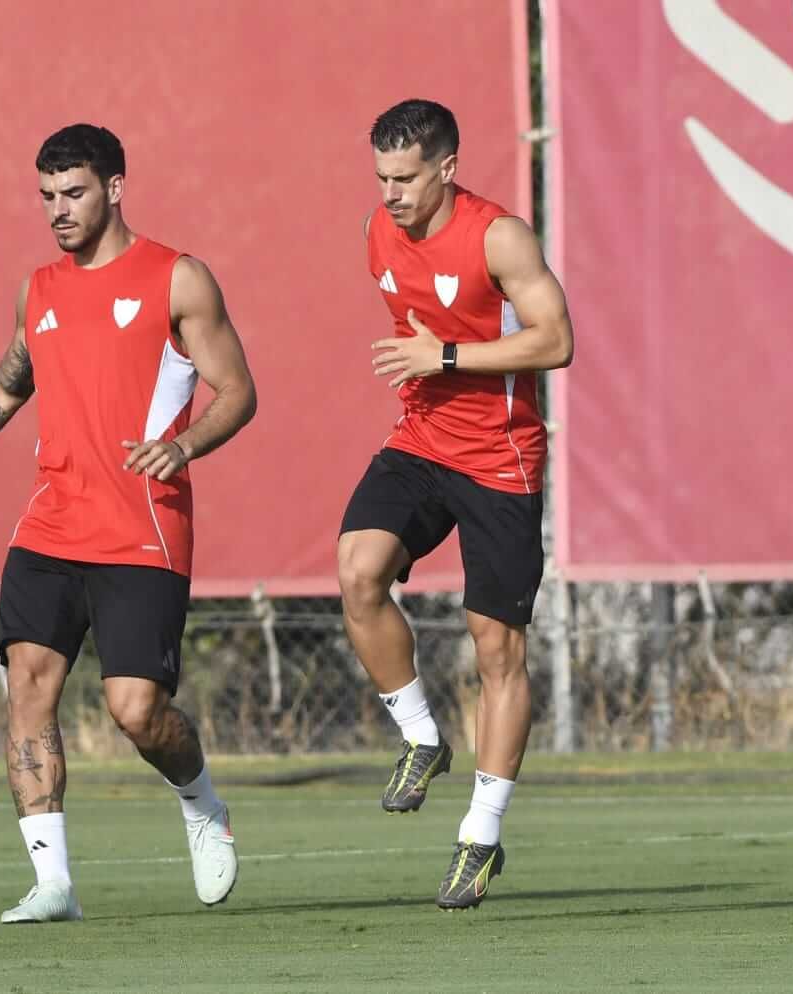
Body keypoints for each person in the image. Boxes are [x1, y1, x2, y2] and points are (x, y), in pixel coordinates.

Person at [0, 124, 256, 923]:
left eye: (73, 193)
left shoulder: (178, 279)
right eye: (46, 196)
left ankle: (202, 802)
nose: (57, 210)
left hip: (141, 527)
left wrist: (183, 446)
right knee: (29, 689)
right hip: (49, 528)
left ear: (114, 188)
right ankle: (54, 883)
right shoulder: (36, 291)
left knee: (136, 711)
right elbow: (4, 390)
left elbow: (238, 391)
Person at [337, 99, 573, 910]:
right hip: (422, 442)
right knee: (358, 572)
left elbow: (556, 340)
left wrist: (442, 355)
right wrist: (427, 367)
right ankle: (420, 736)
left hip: (502, 460)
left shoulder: (498, 236)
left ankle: (481, 833)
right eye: (382, 177)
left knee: (495, 650)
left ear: (448, 167)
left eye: (406, 178)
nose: (392, 193)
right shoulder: (376, 230)